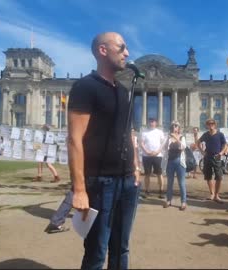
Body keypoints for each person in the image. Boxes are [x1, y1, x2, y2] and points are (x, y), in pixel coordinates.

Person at [68, 32, 141, 269]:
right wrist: (79, 189)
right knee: (97, 251)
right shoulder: (85, 87)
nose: (127, 53)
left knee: (122, 248)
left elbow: (128, 133)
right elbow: (74, 140)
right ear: (102, 50)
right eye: (121, 48)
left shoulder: (123, 91)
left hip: (127, 181)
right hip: (100, 183)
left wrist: (136, 166)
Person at [194, 118, 228, 202]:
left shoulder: (220, 134)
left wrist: (221, 153)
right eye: (209, 124)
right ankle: (212, 193)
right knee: (208, 176)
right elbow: (198, 142)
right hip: (208, 157)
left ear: (215, 124)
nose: (211, 125)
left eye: (212, 123)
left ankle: (217, 195)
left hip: (217, 157)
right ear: (207, 125)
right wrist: (202, 151)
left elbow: (225, 145)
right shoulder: (206, 134)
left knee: (219, 177)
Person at [163, 121, 187, 211]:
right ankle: (168, 200)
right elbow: (165, 148)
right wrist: (167, 139)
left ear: (179, 128)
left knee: (181, 183)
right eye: (172, 126)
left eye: (176, 126)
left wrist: (176, 139)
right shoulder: (168, 137)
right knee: (170, 183)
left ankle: (183, 202)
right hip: (170, 161)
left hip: (179, 162)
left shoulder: (182, 137)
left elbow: (183, 147)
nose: (174, 127)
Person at [140, 118, 166, 198]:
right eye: (150, 122)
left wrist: (158, 151)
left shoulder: (160, 132)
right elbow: (141, 143)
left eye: (153, 122)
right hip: (146, 156)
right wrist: (147, 151)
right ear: (148, 123)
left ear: (156, 123)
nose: (152, 123)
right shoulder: (144, 132)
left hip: (157, 156)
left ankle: (161, 191)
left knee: (159, 173)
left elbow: (163, 143)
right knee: (147, 174)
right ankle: (147, 191)